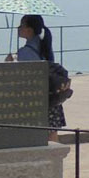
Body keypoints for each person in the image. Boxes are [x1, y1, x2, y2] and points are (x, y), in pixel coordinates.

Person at [12, 14, 66, 142]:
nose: (18, 28)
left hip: (35, 96)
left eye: (22, 25)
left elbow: (25, 75)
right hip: (50, 94)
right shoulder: (43, 45)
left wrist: (11, 63)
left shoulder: (25, 51)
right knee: (52, 132)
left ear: (29, 30)